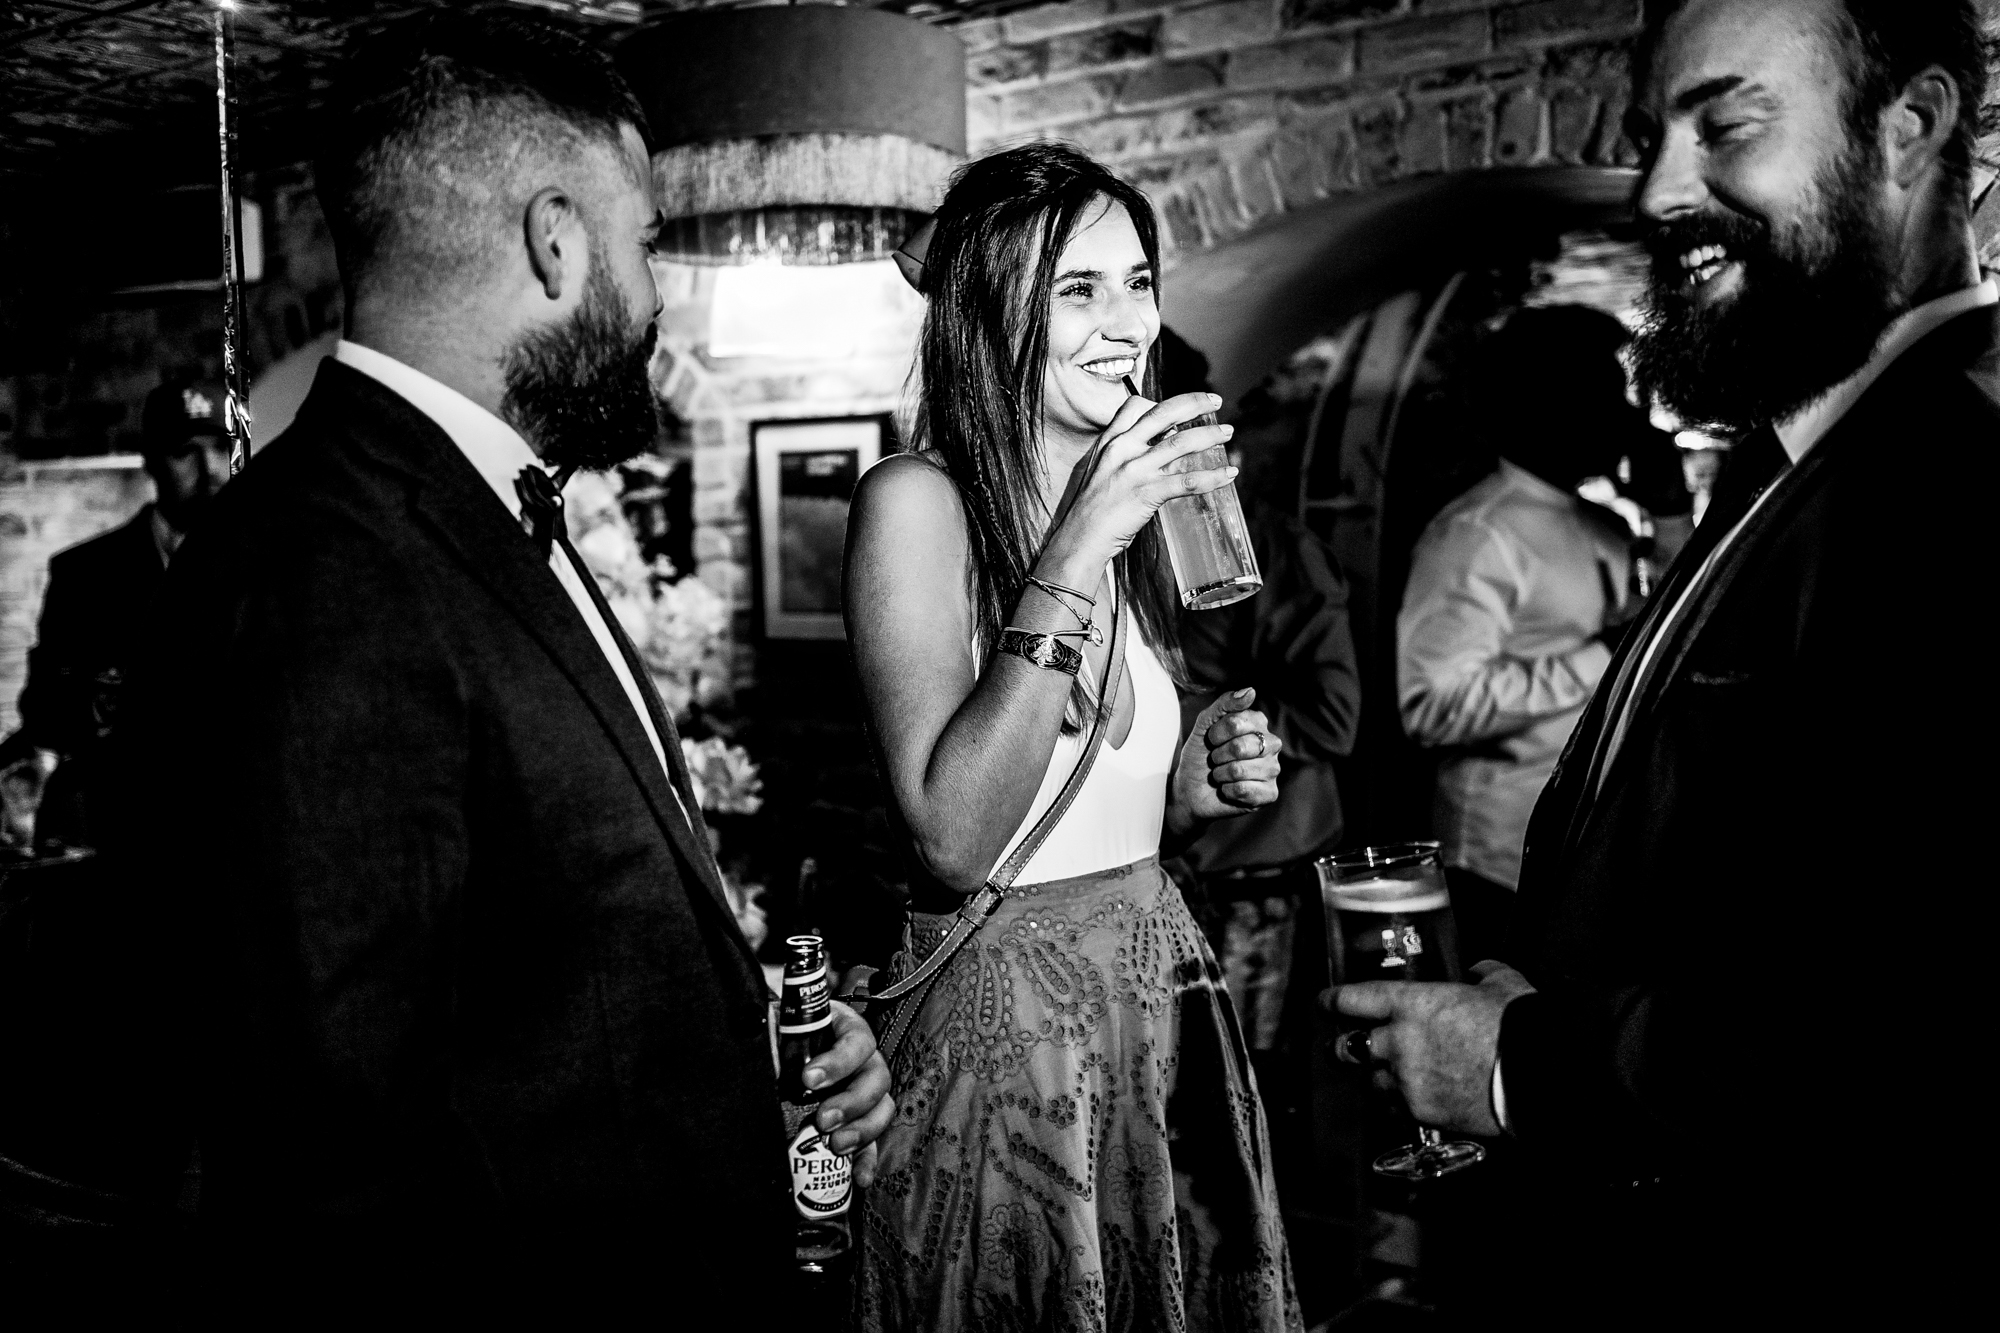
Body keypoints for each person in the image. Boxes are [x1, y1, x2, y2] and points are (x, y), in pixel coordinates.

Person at [108, 13, 893, 1320]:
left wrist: (750, 1042)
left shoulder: (480, 507)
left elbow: (532, 971)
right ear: (555, 240)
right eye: (643, 245)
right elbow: (341, 1163)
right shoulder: (324, 572)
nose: (656, 297)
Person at [1335, 0, 1996, 1322]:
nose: (1654, 188)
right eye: (1652, 134)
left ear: (1909, 128)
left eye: (1729, 124)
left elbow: (1913, 1022)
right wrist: (1549, 988)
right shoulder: (1800, 452)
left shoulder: (1953, 484)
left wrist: (1530, 1066)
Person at [844, 142, 1301, 1331]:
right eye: (1076, 289)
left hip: (1159, 1009)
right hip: (1011, 1048)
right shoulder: (915, 501)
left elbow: (1095, 805)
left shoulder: (1141, 509)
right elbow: (951, 836)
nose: (1124, 322)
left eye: (1137, 281)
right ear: (994, 313)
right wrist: (1072, 549)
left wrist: (1192, 777)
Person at [1395, 307, 1648, 969]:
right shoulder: (1478, 532)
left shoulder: (1604, 525)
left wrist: (1672, 511)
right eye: (1611, 392)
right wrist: (1600, 657)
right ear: (1552, 401)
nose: (1629, 415)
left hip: (1582, 846)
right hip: (1497, 861)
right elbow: (1431, 704)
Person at [0, 380, 232, 847]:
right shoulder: (86, 574)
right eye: (185, 451)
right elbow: (45, 712)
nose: (210, 471)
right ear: (150, 461)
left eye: (222, 448)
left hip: (232, 837)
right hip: (125, 836)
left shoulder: (267, 566)